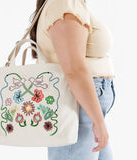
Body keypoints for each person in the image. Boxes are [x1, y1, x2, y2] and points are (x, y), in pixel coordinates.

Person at [29, 0, 116, 159]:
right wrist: (98, 121)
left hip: (83, 109)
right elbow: (74, 69)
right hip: (79, 107)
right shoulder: (65, 3)